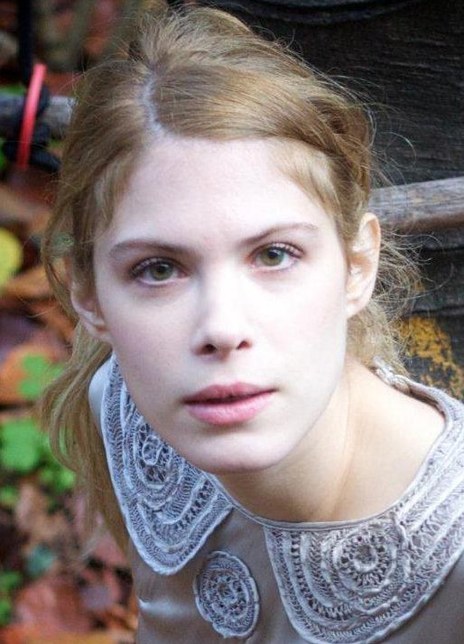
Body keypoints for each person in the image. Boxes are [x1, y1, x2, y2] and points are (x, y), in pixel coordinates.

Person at [40, 3, 464, 642]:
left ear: (356, 265)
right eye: (159, 269)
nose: (221, 326)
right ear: (89, 294)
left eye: (274, 255)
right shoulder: (127, 415)